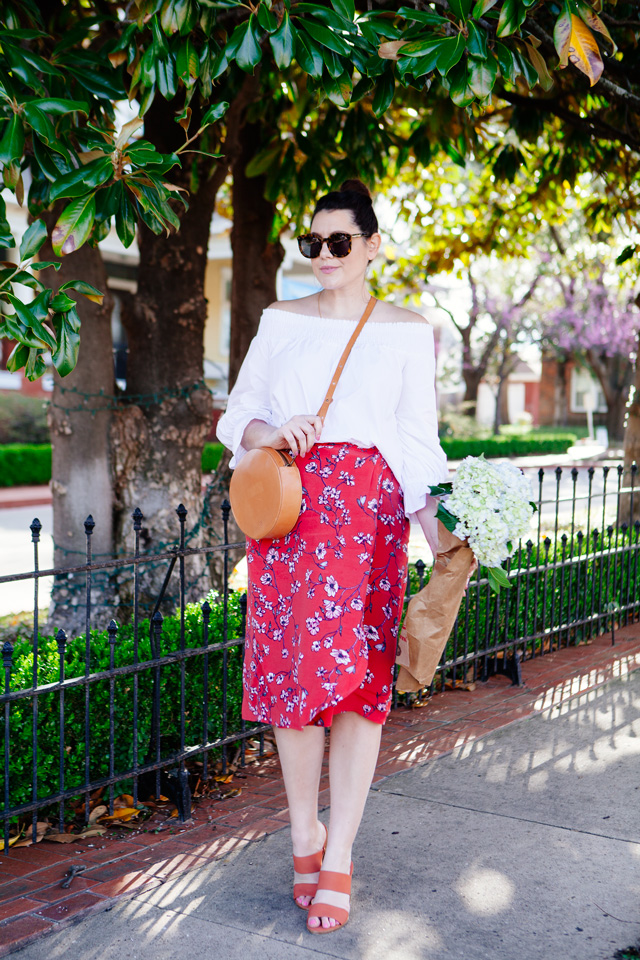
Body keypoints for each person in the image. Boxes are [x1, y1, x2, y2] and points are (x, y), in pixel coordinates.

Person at [216, 180, 448, 934]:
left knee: (358, 687)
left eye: (338, 243)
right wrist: (270, 431)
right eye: (311, 244)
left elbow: (417, 443)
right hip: (289, 517)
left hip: (370, 526)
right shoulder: (281, 320)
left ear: (374, 246)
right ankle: (303, 831)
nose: (322, 256)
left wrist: (439, 531)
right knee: (292, 685)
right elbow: (235, 416)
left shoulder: (409, 330)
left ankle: (339, 850)